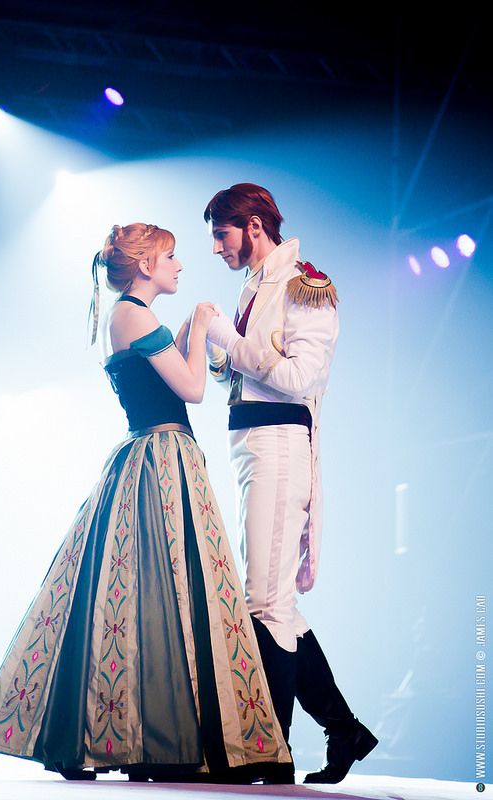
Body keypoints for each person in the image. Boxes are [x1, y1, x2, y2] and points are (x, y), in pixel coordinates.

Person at [0, 222, 293, 784]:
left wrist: (189, 327)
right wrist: (205, 325)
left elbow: (173, 374)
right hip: (161, 456)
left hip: (160, 454)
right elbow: (191, 388)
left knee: (148, 598)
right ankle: (160, 739)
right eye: (170, 255)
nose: (180, 265)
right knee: (164, 595)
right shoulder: (134, 315)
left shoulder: (135, 318)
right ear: (144, 264)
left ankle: (152, 735)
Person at [202, 184, 378, 784]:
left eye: (222, 235)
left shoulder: (308, 284)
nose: (217, 249)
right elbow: (241, 364)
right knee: (278, 603)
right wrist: (223, 349)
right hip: (250, 444)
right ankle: (342, 730)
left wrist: (230, 342)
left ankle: (267, 752)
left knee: (264, 602)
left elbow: (301, 377)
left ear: (253, 225)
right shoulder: (256, 282)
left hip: (279, 444)